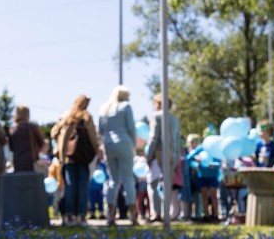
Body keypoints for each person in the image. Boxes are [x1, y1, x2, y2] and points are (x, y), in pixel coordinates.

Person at [51, 94, 100, 227]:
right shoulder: (86, 117)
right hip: (83, 157)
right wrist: (97, 150)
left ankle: (68, 216)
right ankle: (81, 216)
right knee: (82, 186)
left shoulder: (67, 115)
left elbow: (53, 132)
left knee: (70, 186)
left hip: (67, 158)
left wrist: (60, 145)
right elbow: (93, 137)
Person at [98, 85, 137, 226]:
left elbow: (101, 131)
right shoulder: (126, 107)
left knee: (113, 180)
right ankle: (133, 214)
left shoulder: (104, 108)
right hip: (124, 143)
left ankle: (110, 215)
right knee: (128, 179)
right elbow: (131, 128)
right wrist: (134, 144)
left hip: (108, 145)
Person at [146, 93, 181, 223]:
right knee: (167, 185)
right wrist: (177, 156)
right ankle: (167, 213)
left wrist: (149, 156)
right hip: (173, 153)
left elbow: (154, 138)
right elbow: (177, 139)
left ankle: (156, 213)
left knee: (153, 183)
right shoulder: (175, 119)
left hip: (159, 152)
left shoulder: (157, 116)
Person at [8, 105, 46, 173]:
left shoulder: (12, 129)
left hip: (18, 163)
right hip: (32, 162)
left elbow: (11, 148)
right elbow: (43, 144)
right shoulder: (32, 127)